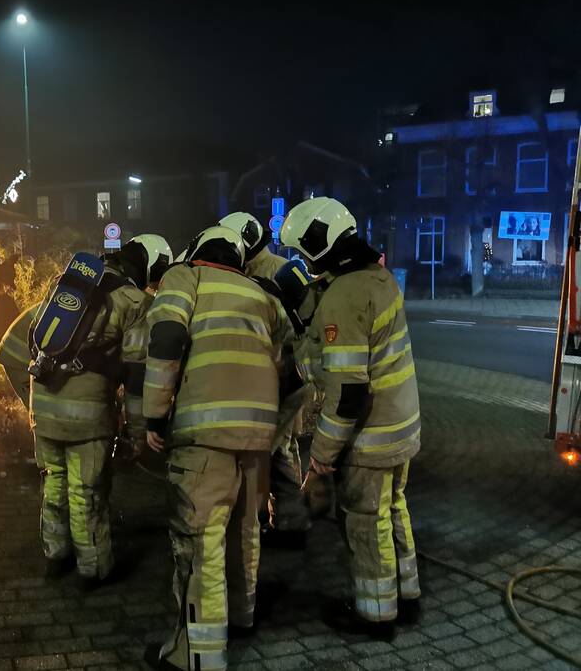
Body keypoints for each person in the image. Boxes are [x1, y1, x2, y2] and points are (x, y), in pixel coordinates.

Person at [143, 226, 291, 671]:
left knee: (200, 541)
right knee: (245, 529)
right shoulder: (262, 295)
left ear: (197, 252)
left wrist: (154, 413)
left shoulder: (186, 278)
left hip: (204, 437)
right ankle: (242, 617)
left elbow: (167, 337)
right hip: (258, 438)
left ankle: (199, 657)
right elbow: (288, 364)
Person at [280, 197, 422, 640]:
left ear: (319, 247)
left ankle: (375, 614)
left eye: (304, 252)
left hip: (371, 440)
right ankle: (407, 595)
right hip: (401, 430)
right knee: (394, 509)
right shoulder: (378, 278)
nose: (302, 261)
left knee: (365, 522)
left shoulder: (344, 295)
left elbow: (348, 396)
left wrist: (322, 456)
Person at [0, 234, 172, 587]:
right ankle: (92, 570)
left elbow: (13, 348)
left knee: (54, 484)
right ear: (149, 265)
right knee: (85, 491)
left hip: (44, 411)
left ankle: (55, 556)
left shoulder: (71, 287)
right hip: (88, 418)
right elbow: (139, 376)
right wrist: (137, 433)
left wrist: (33, 402)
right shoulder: (136, 302)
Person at [220, 211, 312, 545]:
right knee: (277, 450)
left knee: (271, 453)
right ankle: (287, 518)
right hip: (282, 380)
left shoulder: (265, 273)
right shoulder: (269, 268)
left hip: (279, 381)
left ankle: (279, 523)